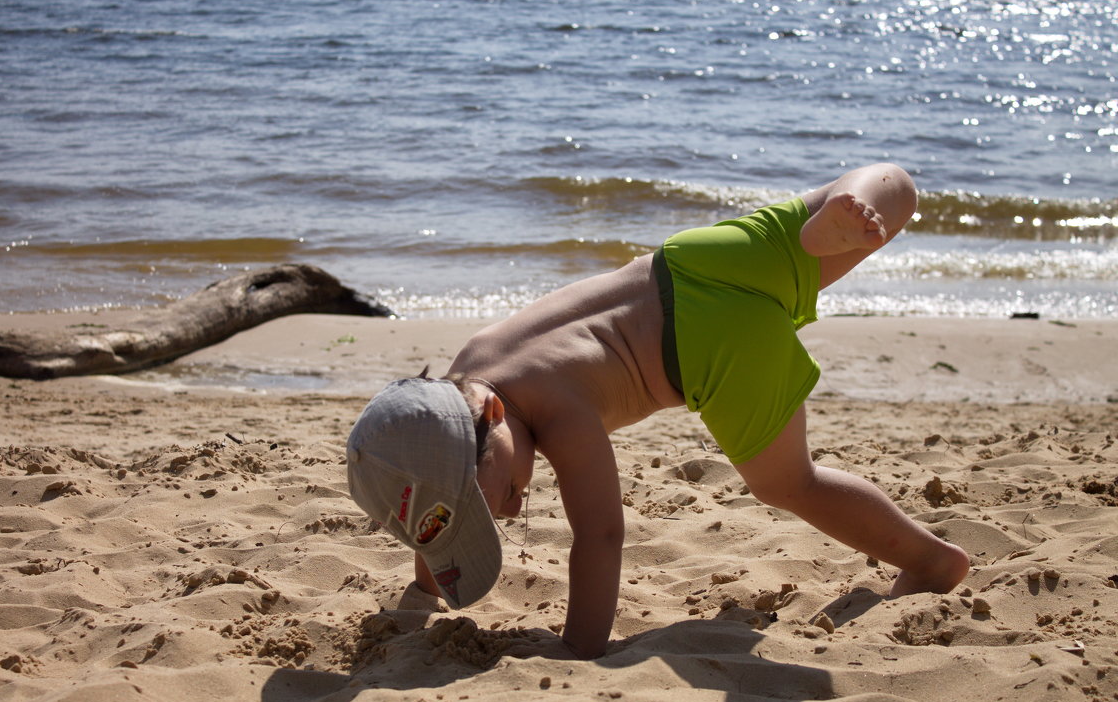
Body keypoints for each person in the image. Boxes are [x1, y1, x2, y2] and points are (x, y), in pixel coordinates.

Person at [346, 163, 971, 660]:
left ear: (493, 415)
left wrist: (580, 646)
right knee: (881, 202)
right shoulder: (475, 368)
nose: (509, 509)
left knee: (789, 482)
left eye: (493, 499)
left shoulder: (560, 418)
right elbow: (432, 476)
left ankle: (930, 561)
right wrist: (427, 582)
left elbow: (601, 535)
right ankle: (858, 197)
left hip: (713, 347)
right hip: (702, 259)